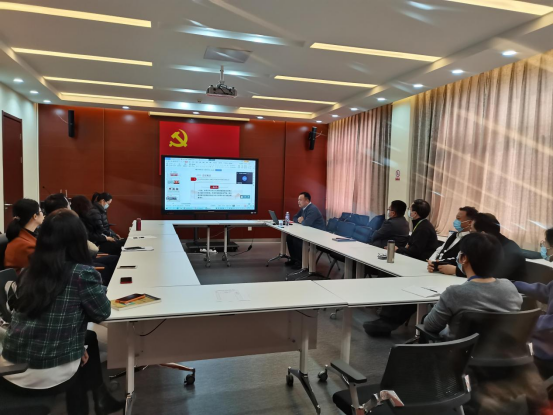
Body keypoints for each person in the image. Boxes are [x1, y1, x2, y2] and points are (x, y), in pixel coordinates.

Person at [0, 209, 123, 415]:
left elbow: (41, 320)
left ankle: (101, 398)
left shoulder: (30, 271)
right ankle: (93, 404)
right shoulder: (82, 274)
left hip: (12, 366)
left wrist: (76, 346)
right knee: (82, 354)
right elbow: (102, 312)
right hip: (45, 373)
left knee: (88, 339)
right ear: (79, 240)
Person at [423, 232, 522, 338]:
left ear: (464, 258)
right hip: (501, 347)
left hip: (460, 347)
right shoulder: (510, 287)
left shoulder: (454, 293)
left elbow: (430, 326)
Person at [364, 199, 439, 336]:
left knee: (391, 278)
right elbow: (412, 247)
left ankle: (386, 322)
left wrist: (399, 249)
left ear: (415, 213)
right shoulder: (419, 224)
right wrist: (404, 248)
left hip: (420, 268)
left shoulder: (423, 227)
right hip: (415, 263)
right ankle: (384, 317)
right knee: (388, 274)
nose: (409, 211)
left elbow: (415, 251)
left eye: (411, 209)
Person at [43, 193, 118, 285]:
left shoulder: (46, 226)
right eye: (69, 205)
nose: (71, 207)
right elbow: (87, 248)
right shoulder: (68, 225)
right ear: (63, 209)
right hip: (75, 265)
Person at [471, 213, 527, 281]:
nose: (470, 236)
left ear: (483, 234)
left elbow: (490, 277)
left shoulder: (510, 252)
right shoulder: (488, 245)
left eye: (472, 232)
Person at [427, 206, 478, 276]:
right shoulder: (453, 235)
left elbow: (458, 259)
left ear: (470, 222)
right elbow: (440, 249)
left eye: (458, 218)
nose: (456, 221)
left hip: (451, 274)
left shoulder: (471, 240)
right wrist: (432, 261)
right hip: (437, 270)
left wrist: (438, 262)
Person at [285, 192, 325, 267]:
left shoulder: (313, 209)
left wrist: (302, 220)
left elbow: (306, 223)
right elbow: (294, 218)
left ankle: (301, 262)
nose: (298, 202)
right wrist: (300, 220)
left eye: (300, 200)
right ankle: (294, 259)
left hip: (318, 234)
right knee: (289, 237)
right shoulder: (303, 208)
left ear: (307, 201)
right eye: (298, 200)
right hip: (309, 232)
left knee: (297, 239)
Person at [4, 198, 44, 273]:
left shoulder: (23, 236)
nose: (43, 214)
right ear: (35, 216)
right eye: (41, 211)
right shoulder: (26, 246)